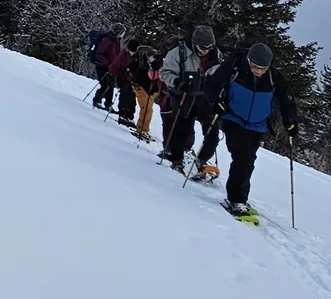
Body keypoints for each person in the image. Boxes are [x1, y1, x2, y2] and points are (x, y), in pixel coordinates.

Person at [204, 42, 299, 217]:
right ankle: (236, 199)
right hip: (233, 117)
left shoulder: (273, 77)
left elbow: (287, 101)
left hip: (257, 124)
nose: (258, 71)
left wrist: (290, 120)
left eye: (262, 68)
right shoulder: (235, 67)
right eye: (255, 67)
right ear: (249, 60)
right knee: (241, 157)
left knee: (249, 160)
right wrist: (216, 103)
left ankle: (241, 198)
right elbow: (211, 85)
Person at [159, 24, 221, 179]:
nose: (205, 50)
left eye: (209, 47)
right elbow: (165, 73)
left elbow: (221, 77)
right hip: (184, 97)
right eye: (202, 47)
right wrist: (178, 82)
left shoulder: (216, 55)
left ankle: (202, 159)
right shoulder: (179, 52)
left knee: (212, 134)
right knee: (180, 131)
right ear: (194, 43)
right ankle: (177, 160)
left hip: (206, 99)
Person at [126, 41, 161, 141]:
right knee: (146, 108)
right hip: (141, 86)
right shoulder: (143, 63)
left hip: (149, 88)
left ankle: (143, 130)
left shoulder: (155, 63)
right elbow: (152, 77)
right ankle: (142, 130)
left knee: (148, 108)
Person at [89, 25, 126, 112]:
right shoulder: (107, 39)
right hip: (102, 66)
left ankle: (108, 104)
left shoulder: (116, 40)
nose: (123, 34)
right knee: (105, 85)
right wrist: (108, 63)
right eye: (123, 32)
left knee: (111, 85)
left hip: (111, 67)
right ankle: (97, 100)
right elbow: (99, 54)